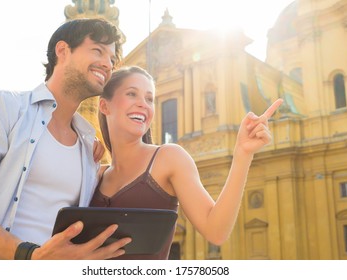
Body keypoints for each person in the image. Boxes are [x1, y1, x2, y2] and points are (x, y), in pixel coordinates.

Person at [0, 18, 132, 260]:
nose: (107, 64)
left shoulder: (87, 148)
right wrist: (31, 256)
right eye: (98, 51)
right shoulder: (0, 107)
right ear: (62, 50)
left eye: (112, 60)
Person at [91, 66, 283, 259]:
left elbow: (216, 231)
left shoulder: (169, 158)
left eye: (149, 99)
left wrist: (242, 155)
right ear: (104, 106)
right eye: (132, 94)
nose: (143, 104)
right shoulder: (95, 173)